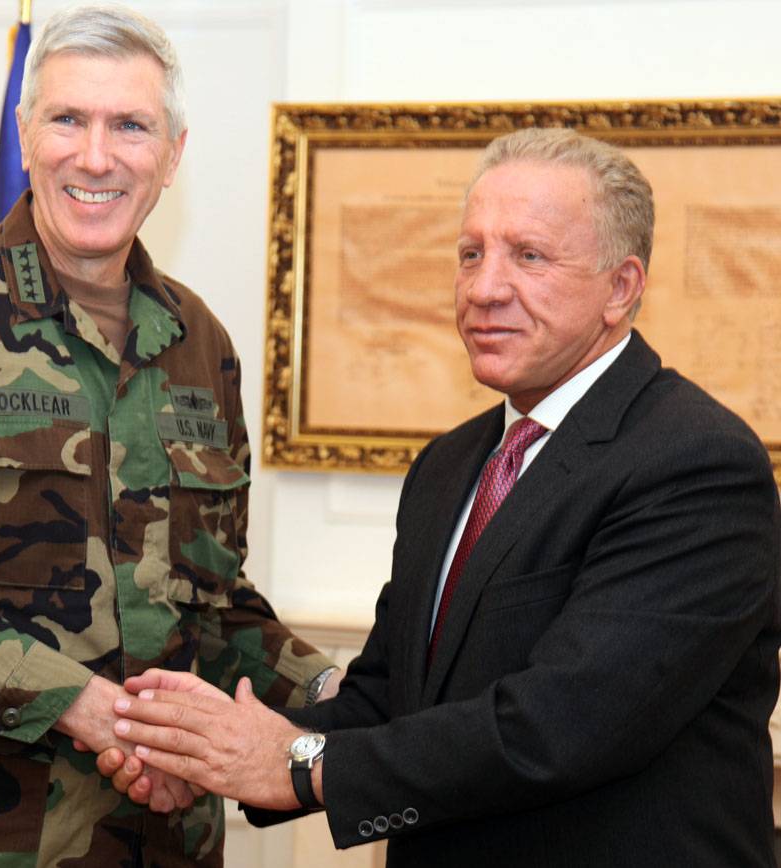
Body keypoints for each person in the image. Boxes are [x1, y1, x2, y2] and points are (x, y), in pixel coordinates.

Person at [99, 127, 781, 867]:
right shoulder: (449, 465)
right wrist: (212, 756)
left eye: (529, 256)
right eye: (471, 254)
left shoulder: (697, 464)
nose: (485, 289)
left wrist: (292, 765)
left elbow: (559, 726)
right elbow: (388, 698)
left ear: (620, 288)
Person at [0, 4, 339, 865]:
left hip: (161, 843)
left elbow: (208, 606)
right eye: (68, 119)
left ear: (173, 154)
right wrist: (79, 704)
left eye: (131, 126)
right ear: (26, 135)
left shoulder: (200, 343)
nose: (96, 155)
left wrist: (336, 687)